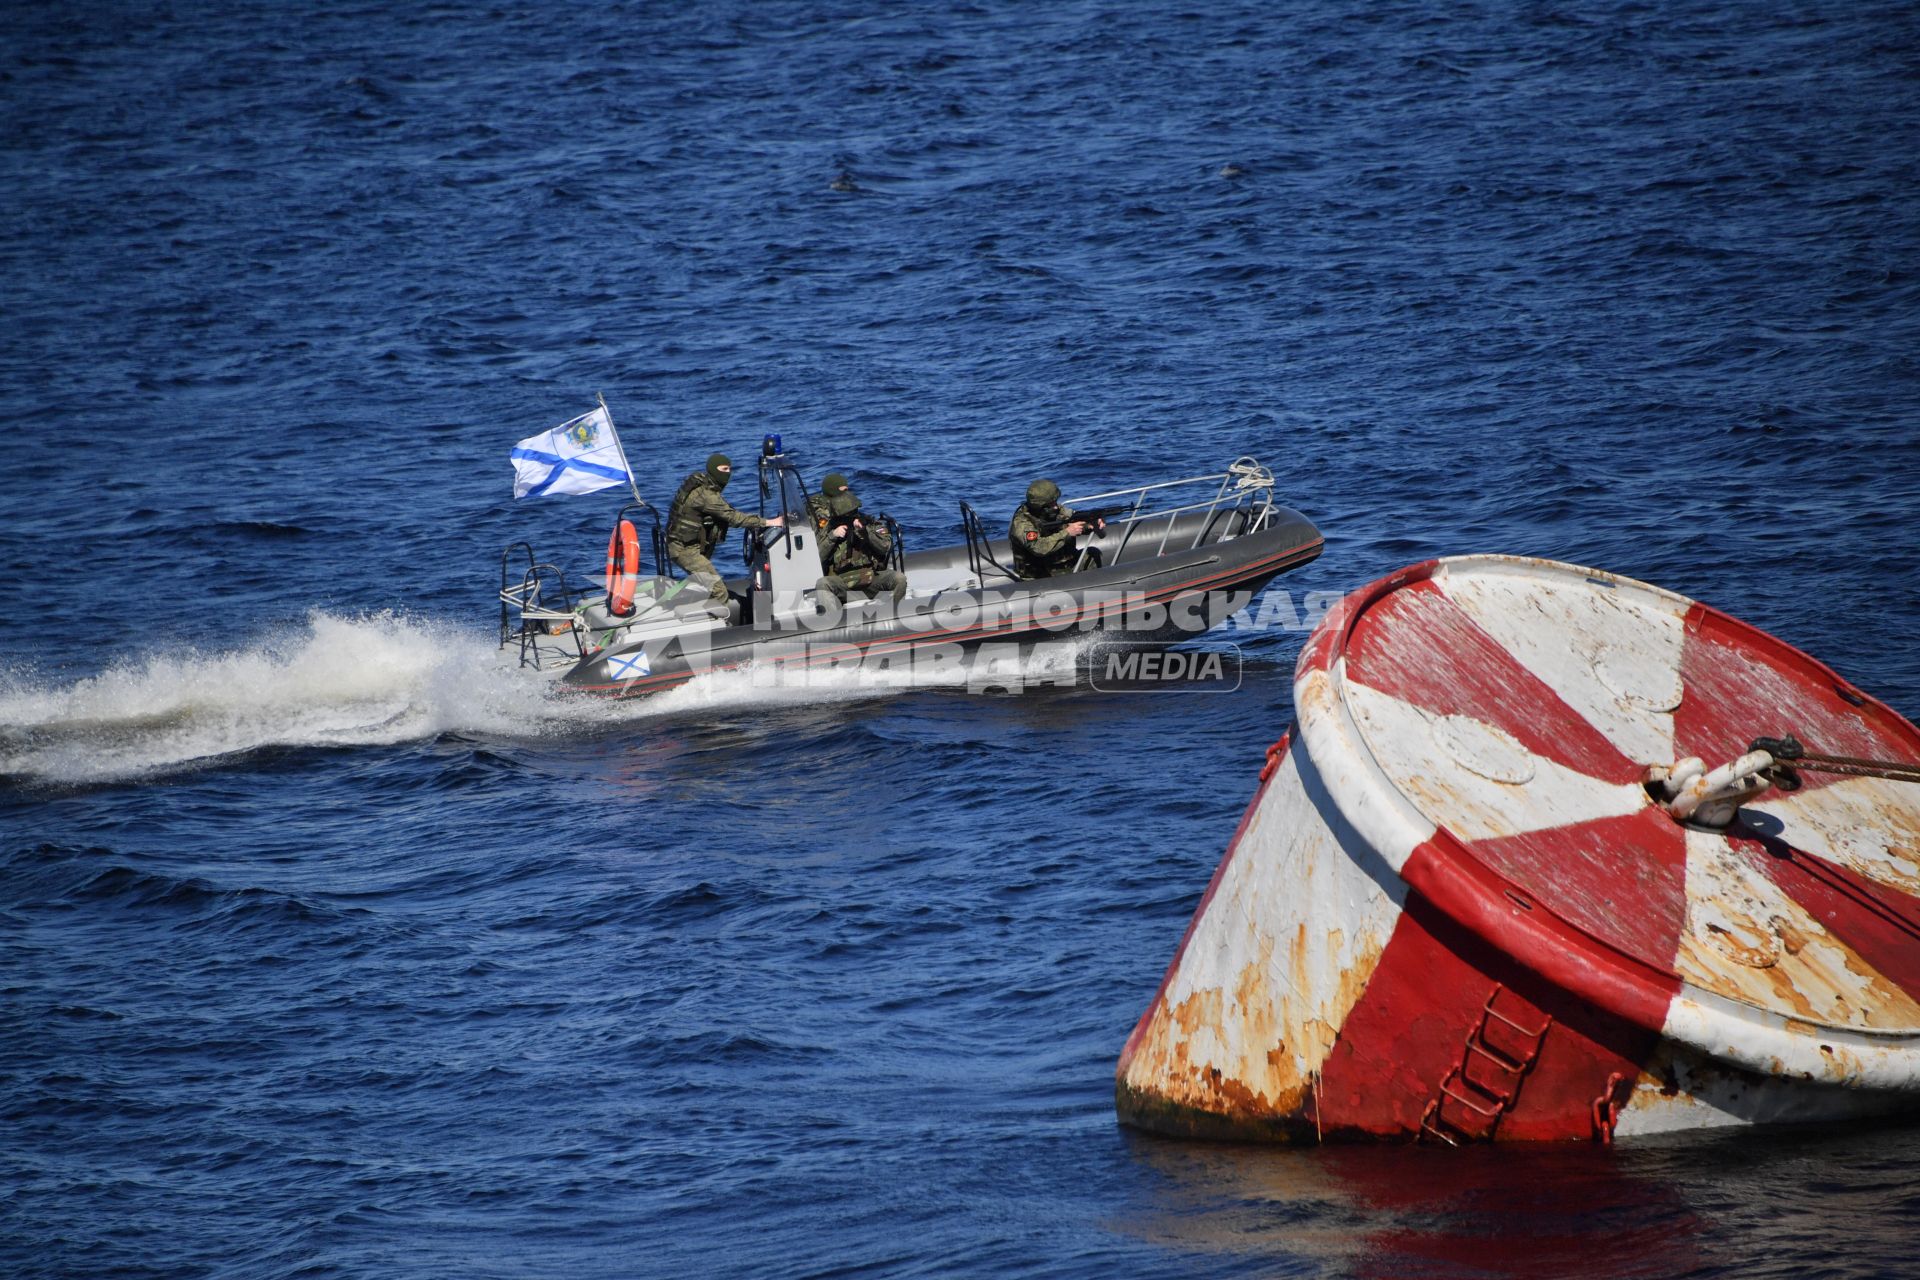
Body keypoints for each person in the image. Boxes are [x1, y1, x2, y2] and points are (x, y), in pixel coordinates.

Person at [664, 452, 783, 609]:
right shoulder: (706, 496)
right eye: (724, 469)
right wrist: (769, 522)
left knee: (708, 584)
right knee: (720, 592)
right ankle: (718, 626)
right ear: (714, 469)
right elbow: (733, 517)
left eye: (729, 469)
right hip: (685, 550)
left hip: (689, 546)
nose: (728, 473)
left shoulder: (706, 487)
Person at [814, 488, 908, 607]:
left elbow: (885, 546)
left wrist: (866, 533)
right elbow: (817, 557)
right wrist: (833, 536)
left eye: (852, 513)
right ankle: (831, 621)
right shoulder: (829, 529)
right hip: (843, 583)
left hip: (871, 579)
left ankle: (896, 613)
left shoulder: (869, 524)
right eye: (844, 516)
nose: (849, 517)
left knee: (899, 579)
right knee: (823, 584)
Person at [1008, 478, 1103, 579]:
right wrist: (1067, 533)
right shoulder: (1022, 523)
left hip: (1062, 565)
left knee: (1092, 553)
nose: (1056, 507)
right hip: (1039, 575)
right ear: (1040, 507)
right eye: (1051, 504)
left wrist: (1090, 524)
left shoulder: (1055, 511)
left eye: (1055, 502)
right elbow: (1039, 547)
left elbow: (1072, 518)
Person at [806, 472, 853, 568]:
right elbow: (817, 552)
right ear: (833, 490)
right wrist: (834, 534)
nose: (846, 494)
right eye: (843, 490)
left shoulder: (842, 506)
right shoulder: (821, 514)